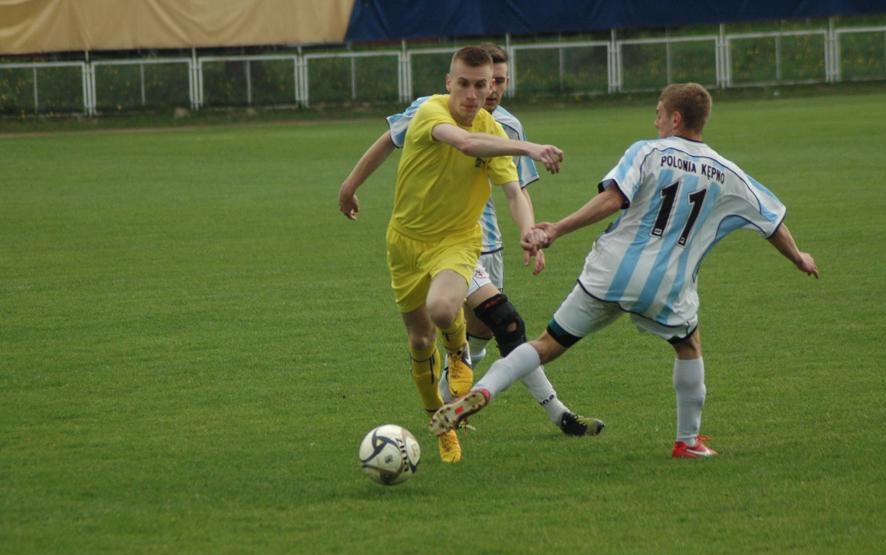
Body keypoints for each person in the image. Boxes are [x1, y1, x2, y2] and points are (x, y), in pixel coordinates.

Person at [430, 82, 820, 459]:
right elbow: (772, 220)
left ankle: (484, 390)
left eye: (659, 113)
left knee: (546, 345)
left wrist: (557, 229)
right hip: (667, 284)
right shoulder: (727, 171)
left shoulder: (647, 152)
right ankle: (687, 442)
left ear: (676, 118)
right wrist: (798, 257)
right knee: (688, 347)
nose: (655, 121)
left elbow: (613, 199)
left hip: (610, 271)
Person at [338, 43, 604, 441]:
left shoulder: (506, 127)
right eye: (471, 83)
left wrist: (528, 232)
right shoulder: (430, 109)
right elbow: (424, 141)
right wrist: (350, 186)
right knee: (488, 327)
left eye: (494, 83)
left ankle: (455, 407)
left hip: (475, 246)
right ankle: (544, 412)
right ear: (451, 82)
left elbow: (516, 190)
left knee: (488, 335)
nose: (483, 92)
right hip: (422, 242)